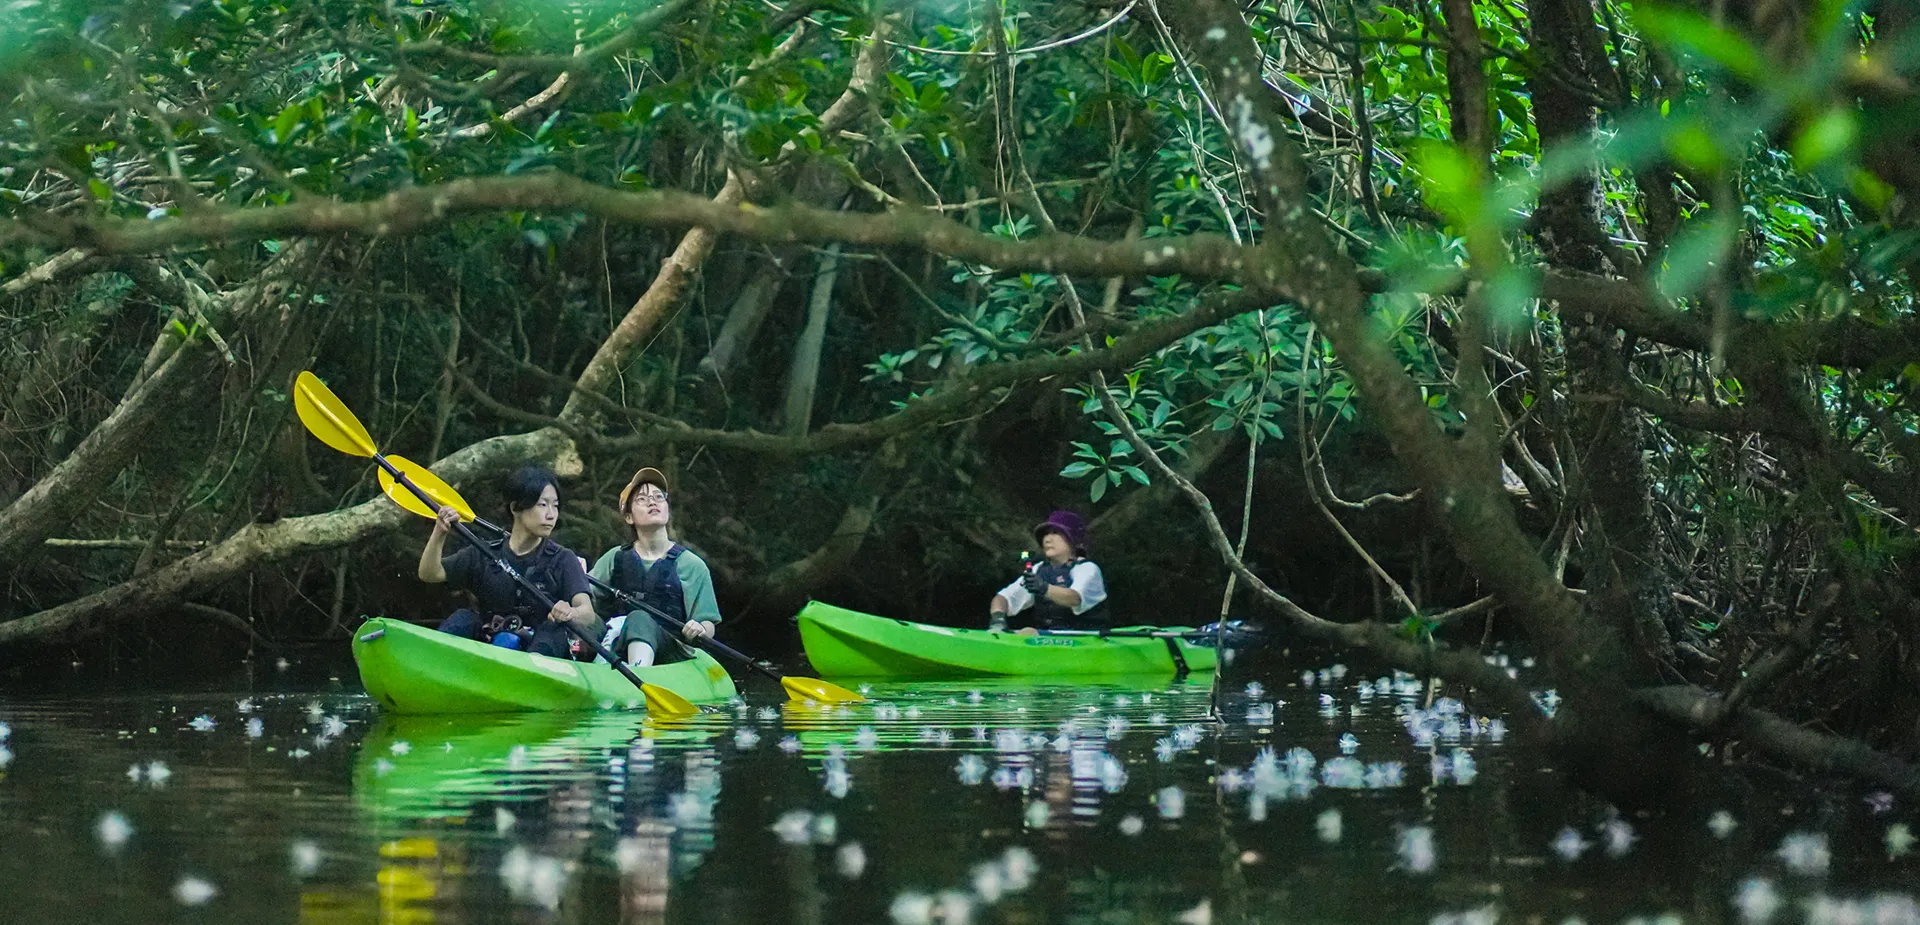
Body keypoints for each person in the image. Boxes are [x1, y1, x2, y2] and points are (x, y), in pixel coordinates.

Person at [417, 466, 600, 659]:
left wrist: (570, 613)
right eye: (542, 505)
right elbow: (429, 573)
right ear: (515, 508)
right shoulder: (484, 553)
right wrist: (439, 532)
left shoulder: (563, 558)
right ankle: (432, 660)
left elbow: (587, 613)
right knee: (464, 617)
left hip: (538, 651)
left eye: (555, 505)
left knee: (553, 630)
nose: (551, 515)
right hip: (489, 644)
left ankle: (529, 676)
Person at [589, 467, 724, 667]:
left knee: (640, 618)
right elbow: (584, 597)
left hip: (672, 654)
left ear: (667, 508)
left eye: (658, 497)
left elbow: (707, 622)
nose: (653, 502)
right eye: (642, 499)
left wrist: (700, 629)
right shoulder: (614, 558)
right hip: (619, 648)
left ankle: (641, 675)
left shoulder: (692, 565)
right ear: (629, 517)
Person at [988, 509, 1109, 633]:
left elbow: (1075, 598)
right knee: (1027, 631)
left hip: (1087, 640)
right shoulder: (1038, 569)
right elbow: (1004, 597)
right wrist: (998, 620)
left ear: (1073, 539)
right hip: (1048, 639)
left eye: (1055, 533)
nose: (1047, 539)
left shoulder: (1088, 569)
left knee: (1029, 632)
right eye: (1046, 534)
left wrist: (1043, 588)